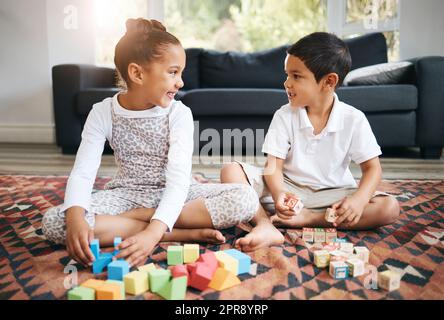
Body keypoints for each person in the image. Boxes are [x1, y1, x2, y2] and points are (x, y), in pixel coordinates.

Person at [42, 18, 259, 268]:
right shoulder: (102, 112)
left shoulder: (179, 114)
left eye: (181, 73)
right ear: (137, 73)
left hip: (178, 195)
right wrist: (76, 217)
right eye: (173, 72)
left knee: (245, 199)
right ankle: (177, 233)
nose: (181, 82)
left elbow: (178, 181)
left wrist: (152, 232)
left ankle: (148, 223)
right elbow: (83, 172)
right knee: (57, 222)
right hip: (126, 195)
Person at [220, 32, 400, 251]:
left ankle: (310, 219)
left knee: (389, 208)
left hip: (333, 194)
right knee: (231, 170)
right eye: (287, 75)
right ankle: (265, 224)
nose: (287, 83)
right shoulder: (284, 115)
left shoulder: (353, 119)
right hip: (288, 188)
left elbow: (373, 169)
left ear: (329, 81)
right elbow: (273, 166)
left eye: (296, 76)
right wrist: (279, 195)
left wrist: (359, 201)